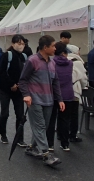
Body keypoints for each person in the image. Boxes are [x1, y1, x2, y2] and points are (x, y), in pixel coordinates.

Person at [20, 35, 64, 167]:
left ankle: (31, 147)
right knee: (40, 126)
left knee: (42, 127)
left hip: (49, 100)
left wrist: (60, 99)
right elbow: (22, 80)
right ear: (45, 47)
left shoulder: (52, 62)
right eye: (53, 46)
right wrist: (26, 95)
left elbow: (55, 82)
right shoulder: (32, 60)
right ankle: (46, 154)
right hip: (35, 100)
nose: (55, 48)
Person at [0, 34, 27, 145]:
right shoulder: (7, 55)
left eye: (23, 43)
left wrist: (20, 85)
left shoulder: (24, 57)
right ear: (13, 44)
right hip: (6, 88)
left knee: (20, 115)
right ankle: (3, 134)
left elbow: (26, 73)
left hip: (19, 90)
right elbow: (2, 71)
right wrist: (11, 84)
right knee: (5, 113)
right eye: (19, 43)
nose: (21, 46)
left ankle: (19, 138)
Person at [49, 42, 77, 151]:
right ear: (64, 52)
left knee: (51, 120)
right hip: (68, 94)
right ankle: (65, 144)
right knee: (65, 119)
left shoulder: (51, 63)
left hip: (53, 94)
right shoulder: (70, 63)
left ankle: (50, 144)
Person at [66, 44, 87, 143]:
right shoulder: (78, 62)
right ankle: (72, 135)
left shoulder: (60, 59)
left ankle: (61, 134)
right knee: (74, 114)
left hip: (62, 89)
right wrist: (83, 87)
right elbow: (83, 78)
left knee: (63, 114)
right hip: (74, 90)